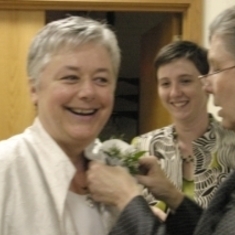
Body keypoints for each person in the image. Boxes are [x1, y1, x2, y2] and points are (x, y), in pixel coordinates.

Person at [86, 5, 235, 235]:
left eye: (215, 69)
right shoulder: (142, 148)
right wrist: (171, 195)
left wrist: (127, 200)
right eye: (165, 83)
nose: (208, 83)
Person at [0, 16, 121, 235]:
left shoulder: (114, 171)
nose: (88, 92)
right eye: (71, 78)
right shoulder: (5, 169)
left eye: (101, 79)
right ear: (34, 89)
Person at [132, 40, 235, 212]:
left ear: (206, 83)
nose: (174, 93)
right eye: (165, 84)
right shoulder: (141, 148)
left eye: (185, 81)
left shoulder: (232, 145)